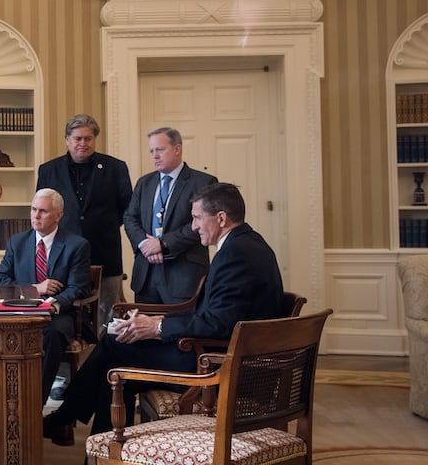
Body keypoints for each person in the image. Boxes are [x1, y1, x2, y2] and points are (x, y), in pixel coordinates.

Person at [42, 183, 284, 445]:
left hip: (219, 366)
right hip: (218, 352)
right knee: (114, 362)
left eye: (197, 218)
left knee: (114, 344)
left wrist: (156, 329)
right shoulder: (246, 243)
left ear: (221, 218)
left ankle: (67, 420)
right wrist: (156, 321)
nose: (193, 227)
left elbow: (219, 323)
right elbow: (213, 314)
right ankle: (92, 442)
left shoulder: (237, 253)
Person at [0, 189, 92, 403]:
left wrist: (51, 304)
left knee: (51, 334)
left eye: (43, 211)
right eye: (33, 209)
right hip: (20, 312)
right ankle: (3, 401)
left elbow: (79, 288)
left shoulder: (76, 245)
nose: (35, 216)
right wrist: (34, 289)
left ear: (58, 215)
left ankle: (34, 404)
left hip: (58, 314)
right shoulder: (17, 242)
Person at [36, 114, 132, 329]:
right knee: (64, 307)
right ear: (67, 140)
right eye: (77, 138)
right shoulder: (48, 170)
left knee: (108, 310)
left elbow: (128, 208)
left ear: (94, 140)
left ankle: (107, 356)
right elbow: (43, 208)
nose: (83, 144)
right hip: (62, 252)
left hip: (104, 249)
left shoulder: (115, 168)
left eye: (88, 139)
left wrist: (103, 225)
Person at [123, 127, 217, 304]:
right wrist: (145, 244)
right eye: (151, 151)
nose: (155, 156)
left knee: (178, 329)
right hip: (146, 273)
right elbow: (130, 217)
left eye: (160, 149)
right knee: (143, 329)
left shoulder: (203, 182)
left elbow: (203, 223)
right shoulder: (144, 182)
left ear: (177, 149)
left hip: (183, 275)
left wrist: (162, 243)